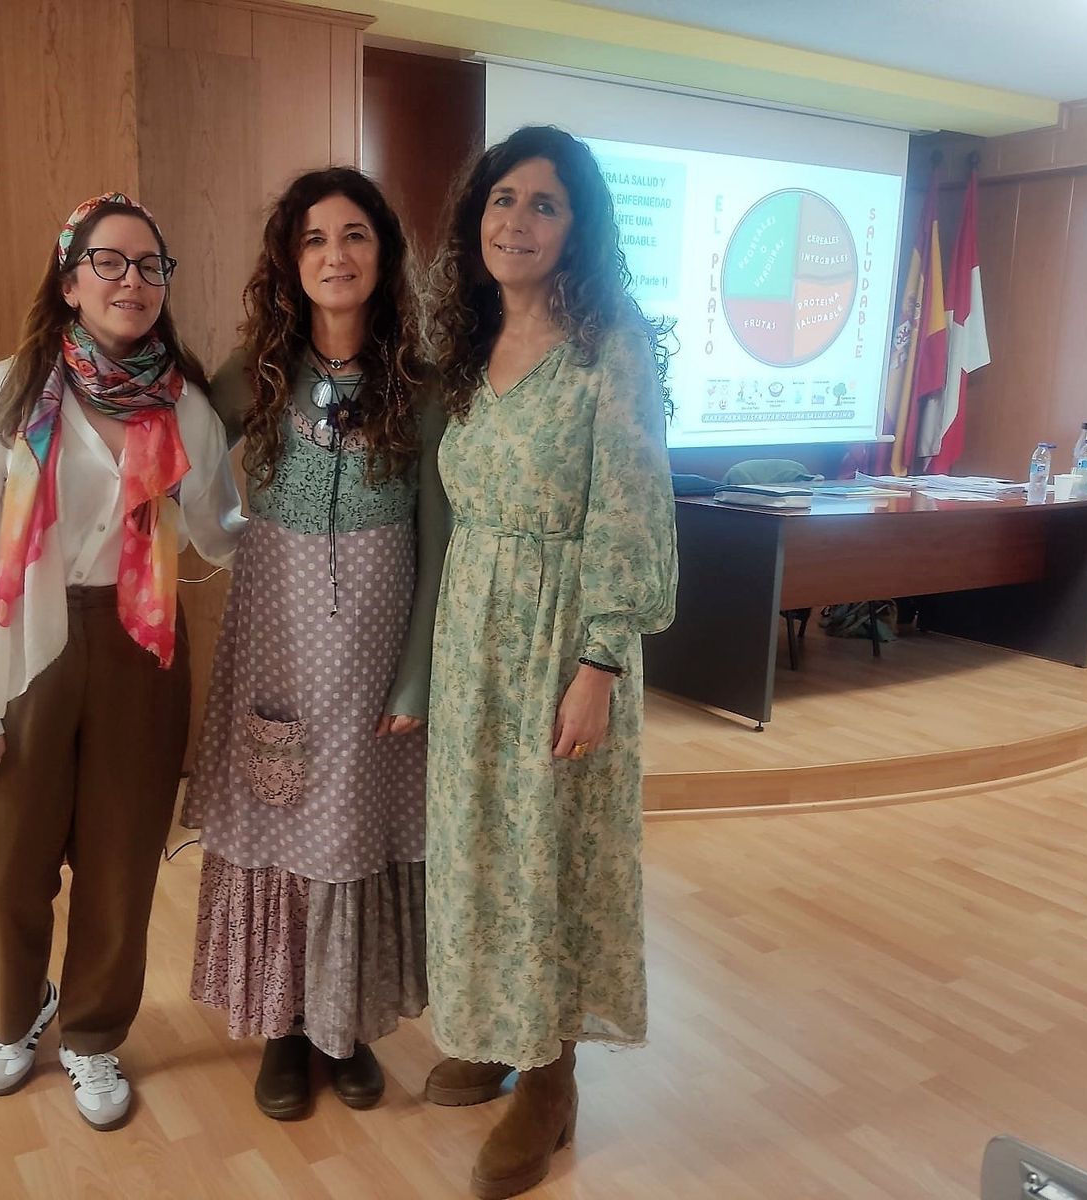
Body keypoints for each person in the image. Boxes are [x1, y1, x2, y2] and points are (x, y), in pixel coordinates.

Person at [0, 193, 244, 1131]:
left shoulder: (184, 406)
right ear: (69, 282)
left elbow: (217, 531)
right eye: (109, 262)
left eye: (150, 265)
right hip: (21, 641)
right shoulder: (2, 399)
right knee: (5, 856)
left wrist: (293, 500)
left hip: (141, 643)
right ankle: (22, 1011)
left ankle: (96, 1037)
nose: (132, 281)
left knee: (119, 861)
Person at [421, 127, 678, 1198]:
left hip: (560, 633)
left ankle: (550, 1077)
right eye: (501, 200)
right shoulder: (466, 343)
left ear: (579, 229)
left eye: (543, 205)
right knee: (480, 843)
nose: (515, 222)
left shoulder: (608, 344)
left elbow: (632, 506)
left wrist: (599, 664)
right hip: (471, 631)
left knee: (549, 856)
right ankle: (491, 1024)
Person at [182, 167, 444, 1120]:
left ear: (384, 254)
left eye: (356, 236)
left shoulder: (422, 382)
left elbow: (438, 539)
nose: (336, 256)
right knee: (283, 824)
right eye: (315, 241)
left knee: (356, 837)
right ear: (291, 264)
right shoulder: (260, 369)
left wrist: (416, 677)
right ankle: (286, 1035)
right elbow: (184, 436)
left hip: (377, 661)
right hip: (277, 652)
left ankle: (352, 1027)